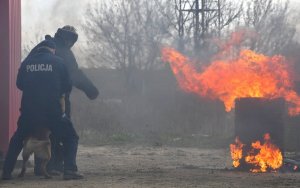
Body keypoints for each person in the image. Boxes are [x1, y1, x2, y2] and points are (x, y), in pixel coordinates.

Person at [1, 40, 82, 180]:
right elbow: (67, 86)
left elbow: (19, 84)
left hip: (29, 111)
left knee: (17, 139)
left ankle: (7, 172)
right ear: (52, 49)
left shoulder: (27, 62)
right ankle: (69, 170)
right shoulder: (59, 62)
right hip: (53, 111)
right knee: (71, 137)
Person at [26, 26, 99, 175]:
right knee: (66, 134)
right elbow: (74, 75)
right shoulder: (65, 53)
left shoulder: (38, 49)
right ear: (69, 39)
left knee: (42, 133)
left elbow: (23, 74)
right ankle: (65, 168)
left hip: (32, 103)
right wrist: (91, 90)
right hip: (57, 102)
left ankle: (42, 168)